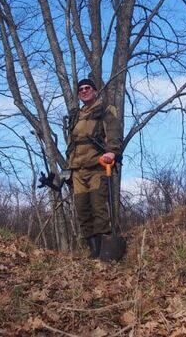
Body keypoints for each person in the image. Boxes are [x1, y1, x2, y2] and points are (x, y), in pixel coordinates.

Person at [67, 78, 122, 259]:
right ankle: (93, 250)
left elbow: (114, 130)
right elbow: (72, 143)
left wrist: (112, 152)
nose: (84, 91)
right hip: (77, 168)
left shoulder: (105, 109)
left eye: (87, 88)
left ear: (95, 90)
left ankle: (106, 251)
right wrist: (68, 168)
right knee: (82, 209)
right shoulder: (76, 115)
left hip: (97, 166)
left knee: (99, 207)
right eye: (81, 89)